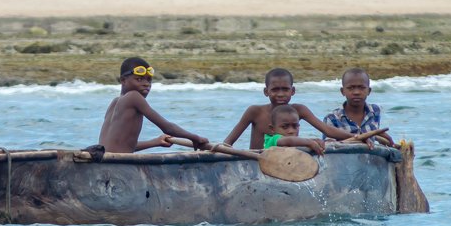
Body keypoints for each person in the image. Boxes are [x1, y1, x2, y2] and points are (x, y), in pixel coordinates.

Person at [98, 57, 211, 153]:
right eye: (139, 79)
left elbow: (122, 146)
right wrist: (195, 138)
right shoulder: (134, 96)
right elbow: (167, 128)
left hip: (105, 160)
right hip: (116, 164)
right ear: (123, 80)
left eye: (149, 80)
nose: (146, 84)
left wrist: (155, 142)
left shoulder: (114, 103)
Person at [223, 68, 354, 149]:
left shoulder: (299, 110)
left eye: (285, 89)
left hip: (286, 164)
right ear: (266, 92)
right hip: (257, 164)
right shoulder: (255, 112)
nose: (280, 94)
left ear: (293, 91)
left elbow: (327, 130)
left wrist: (356, 137)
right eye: (275, 90)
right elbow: (228, 143)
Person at [323, 67, 394, 145]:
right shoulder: (332, 118)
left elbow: (374, 137)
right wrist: (357, 139)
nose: (356, 92)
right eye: (351, 88)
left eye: (362, 88)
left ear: (369, 91)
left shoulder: (374, 111)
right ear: (342, 91)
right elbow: (328, 147)